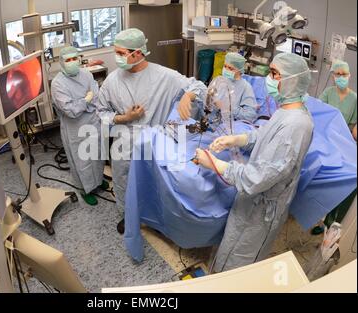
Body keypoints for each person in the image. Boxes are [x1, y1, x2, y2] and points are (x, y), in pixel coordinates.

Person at [194, 53, 314, 272]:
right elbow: (264, 135)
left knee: (237, 264)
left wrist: (213, 163)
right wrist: (238, 139)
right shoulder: (285, 112)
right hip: (250, 204)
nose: (269, 78)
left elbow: (256, 179)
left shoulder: (297, 125)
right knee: (228, 250)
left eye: (275, 73)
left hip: (260, 212)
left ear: (294, 79)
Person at [96, 28, 207, 233]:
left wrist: (188, 95)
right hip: (124, 146)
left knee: (154, 184)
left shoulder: (165, 77)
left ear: (137, 53)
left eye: (121, 53)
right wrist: (124, 118)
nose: (117, 57)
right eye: (116, 52)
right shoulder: (112, 81)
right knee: (123, 183)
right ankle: (128, 216)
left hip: (154, 146)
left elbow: (199, 86)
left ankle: (154, 218)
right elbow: (101, 113)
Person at [51, 46, 108, 206]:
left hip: (92, 121)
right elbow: (70, 110)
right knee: (82, 159)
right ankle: (86, 188)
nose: (72, 62)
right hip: (74, 128)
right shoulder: (58, 84)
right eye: (68, 60)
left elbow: (96, 96)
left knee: (96, 154)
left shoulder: (87, 74)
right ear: (61, 62)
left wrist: (84, 102)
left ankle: (98, 179)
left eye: (74, 58)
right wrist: (85, 101)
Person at [320, 60, 357, 136]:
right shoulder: (328, 92)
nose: (341, 77)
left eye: (344, 74)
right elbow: (319, 110)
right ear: (333, 77)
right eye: (338, 74)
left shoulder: (354, 98)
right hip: (325, 131)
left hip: (343, 135)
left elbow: (353, 124)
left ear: (349, 75)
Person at [220, 52, 258, 123]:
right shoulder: (221, 81)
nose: (226, 70)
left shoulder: (245, 87)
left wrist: (228, 107)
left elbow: (250, 115)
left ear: (239, 71)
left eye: (230, 68)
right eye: (225, 66)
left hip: (231, 126)